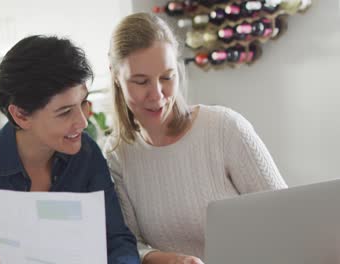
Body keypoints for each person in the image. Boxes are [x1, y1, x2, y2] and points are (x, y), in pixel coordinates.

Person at [0, 35, 140, 264]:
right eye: (65, 112)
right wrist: (3, 257)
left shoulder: (86, 154)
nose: (82, 122)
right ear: (21, 115)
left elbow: (117, 240)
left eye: (83, 103)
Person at [104, 13, 288, 264]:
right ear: (115, 74)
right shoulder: (119, 153)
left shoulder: (224, 128)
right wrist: (167, 259)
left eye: (167, 77)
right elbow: (128, 244)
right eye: (141, 81)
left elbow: (286, 219)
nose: (157, 95)